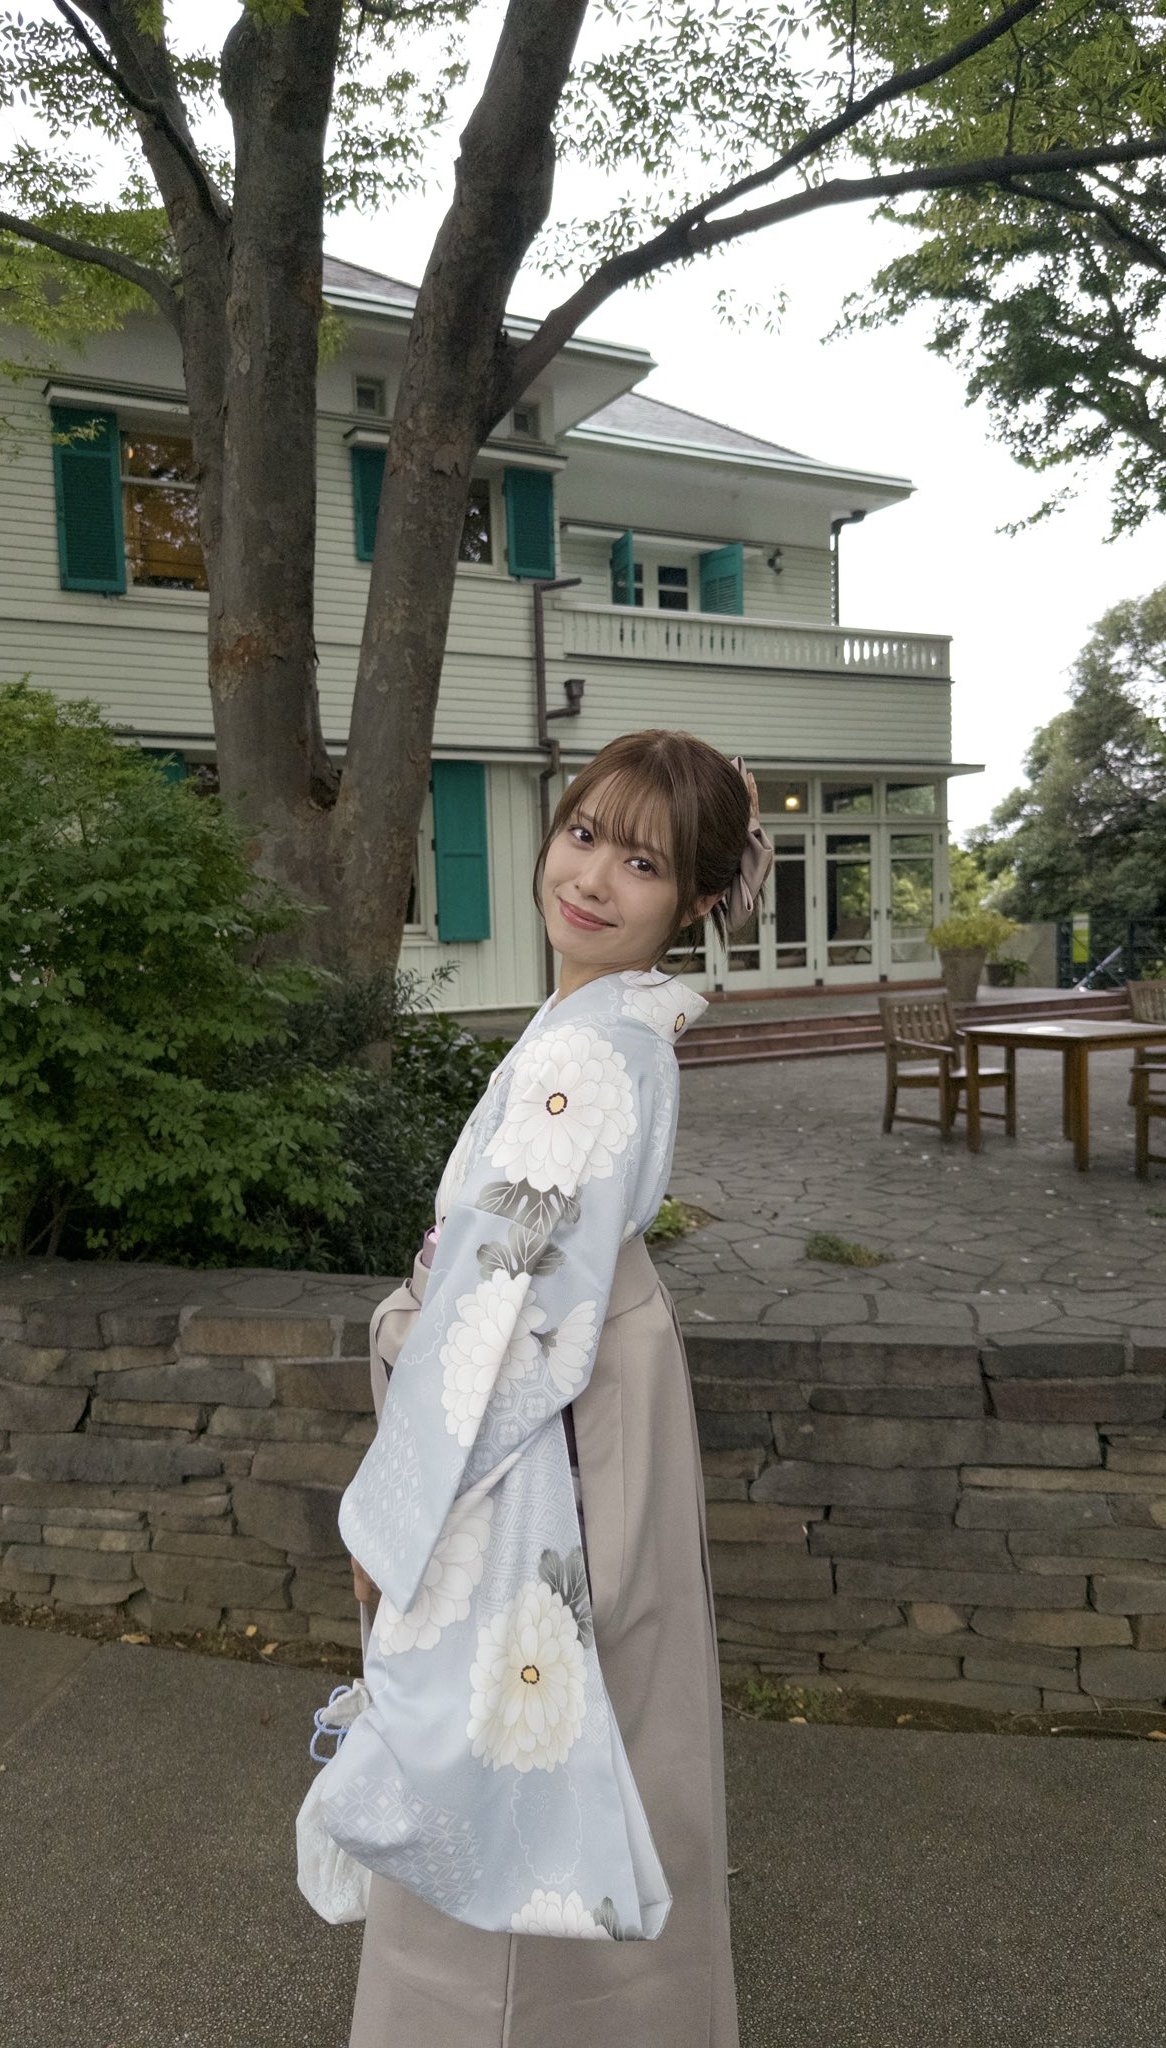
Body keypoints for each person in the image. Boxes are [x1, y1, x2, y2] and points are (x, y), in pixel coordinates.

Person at [338, 728, 770, 2048]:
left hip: (539, 1414)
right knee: (596, 1732)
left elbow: (501, 1320)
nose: (590, 877)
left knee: (510, 1755)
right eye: (583, 834)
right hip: (590, 1383)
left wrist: (399, 1522)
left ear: (694, 900)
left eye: (641, 863)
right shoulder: (596, 1027)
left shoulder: (590, 1054)